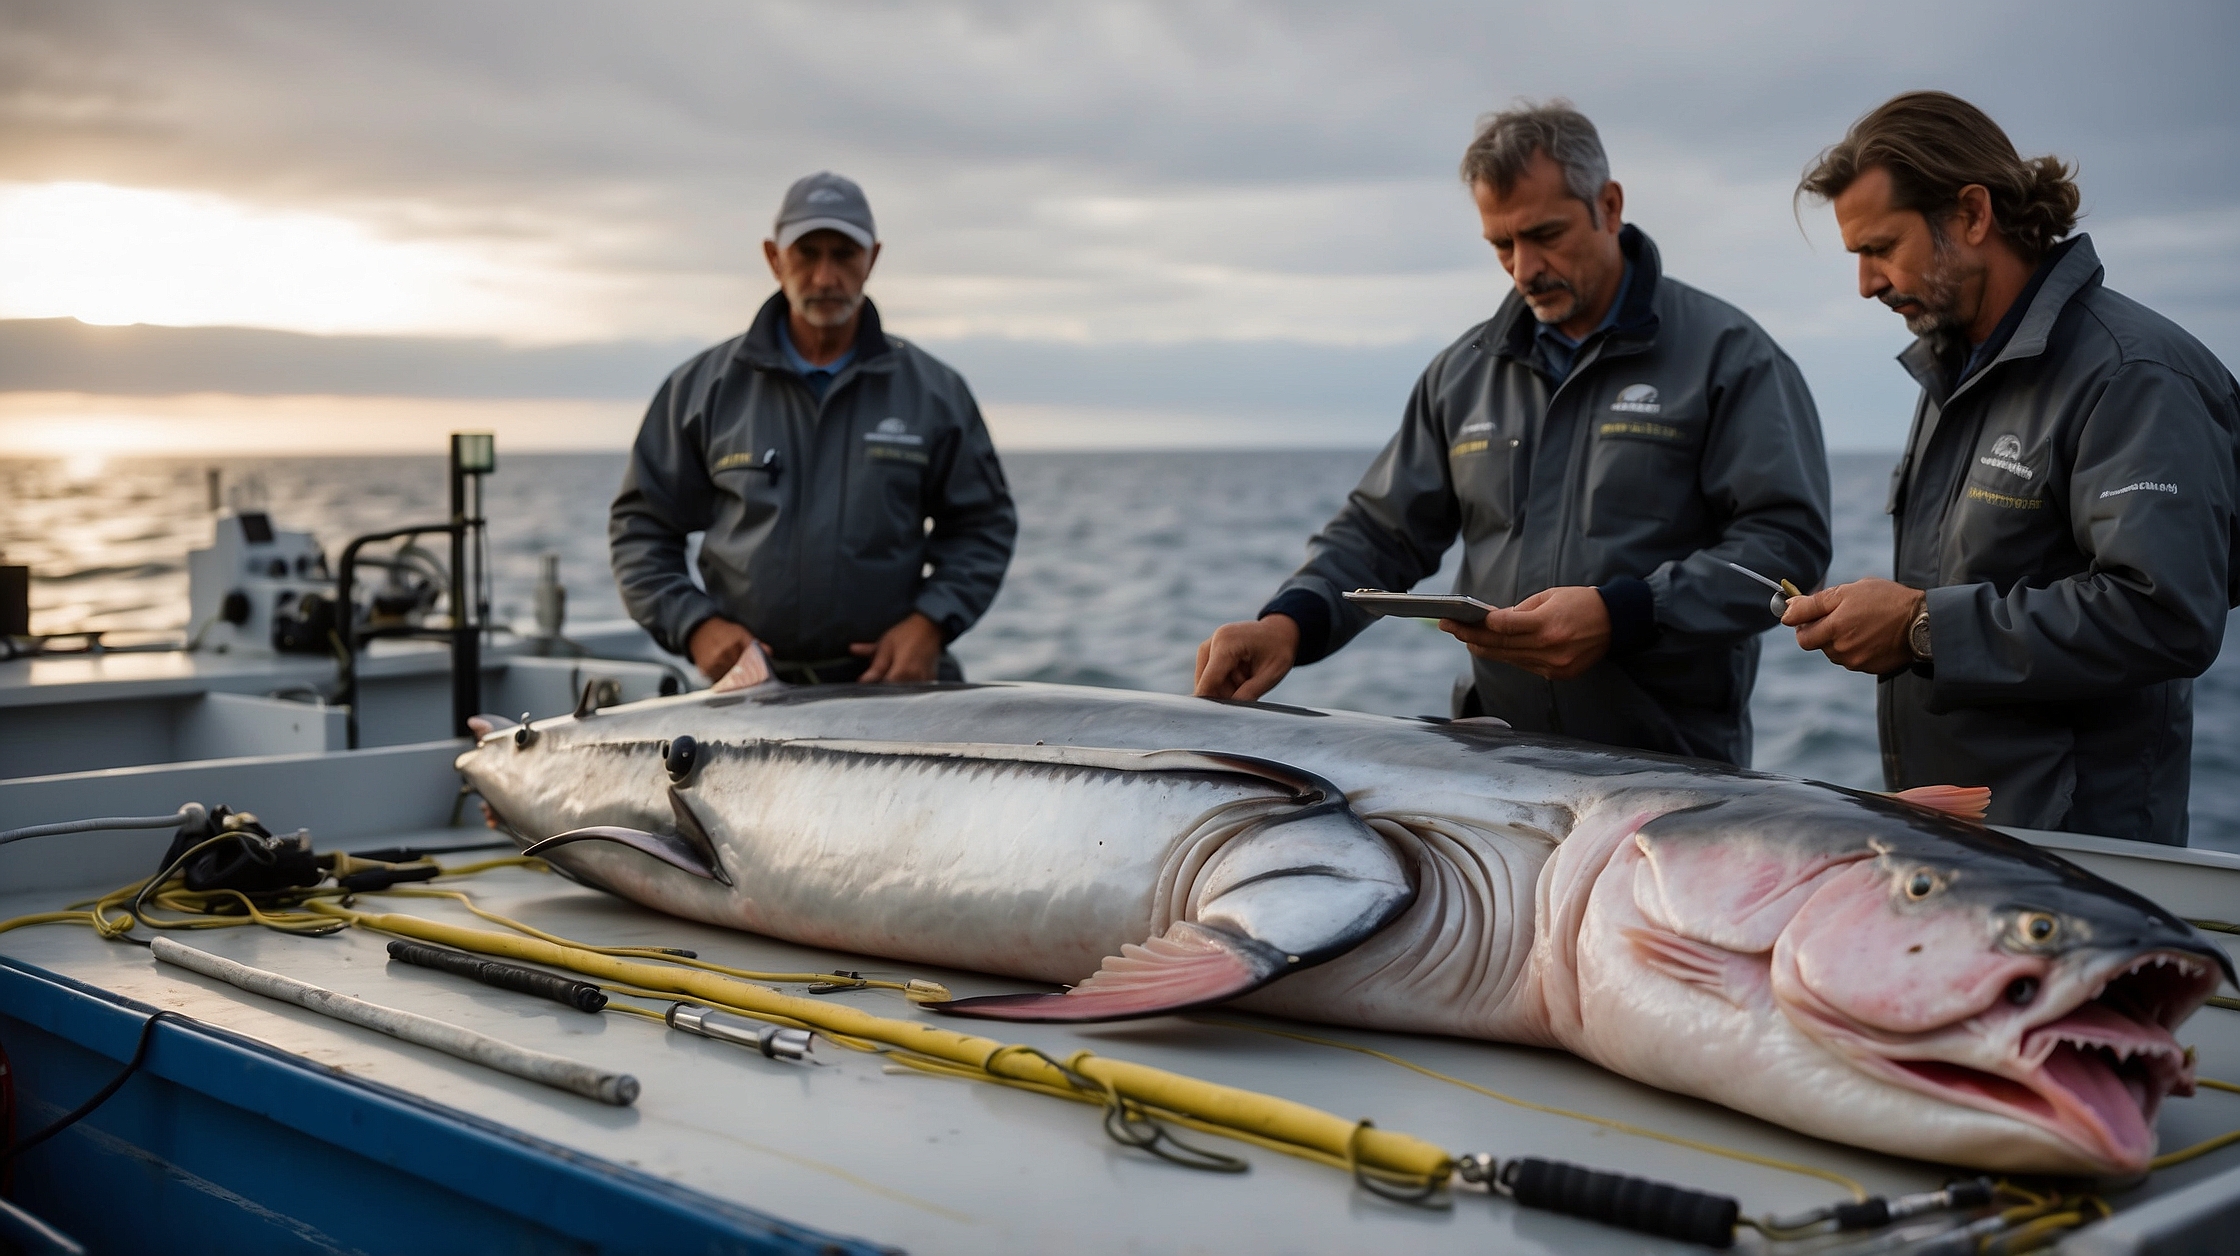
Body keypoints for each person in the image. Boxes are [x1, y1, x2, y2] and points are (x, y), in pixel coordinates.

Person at [1193, 102, 1831, 766]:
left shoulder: (1731, 357)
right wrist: (1287, 624)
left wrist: (1626, 614)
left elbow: (1786, 547)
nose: (1524, 268)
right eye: (1502, 245)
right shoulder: (1462, 373)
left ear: (1608, 206)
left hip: (1675, 775)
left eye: (1545, 234)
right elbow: (1380, 532)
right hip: (1494, 767)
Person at [1785, 91, 2240, 845]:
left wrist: (1922, 626)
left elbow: (2166, 614)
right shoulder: (1955, 371)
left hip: (2079, 853)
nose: (1865, 283)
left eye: (1880, 248)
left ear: (1971, 214)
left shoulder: (2132, 374)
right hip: (1967, 837)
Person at [610, 172, 1016, 688]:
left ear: (872, 258)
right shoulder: (703, 390)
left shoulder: (934, 392)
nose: (826, 277)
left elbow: (984, 526)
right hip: (744, 696)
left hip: (894, 693)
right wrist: (696, 627)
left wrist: (931, 623)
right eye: (807, 253)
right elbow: (641, 527)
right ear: (774, 258)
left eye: (844, 254)